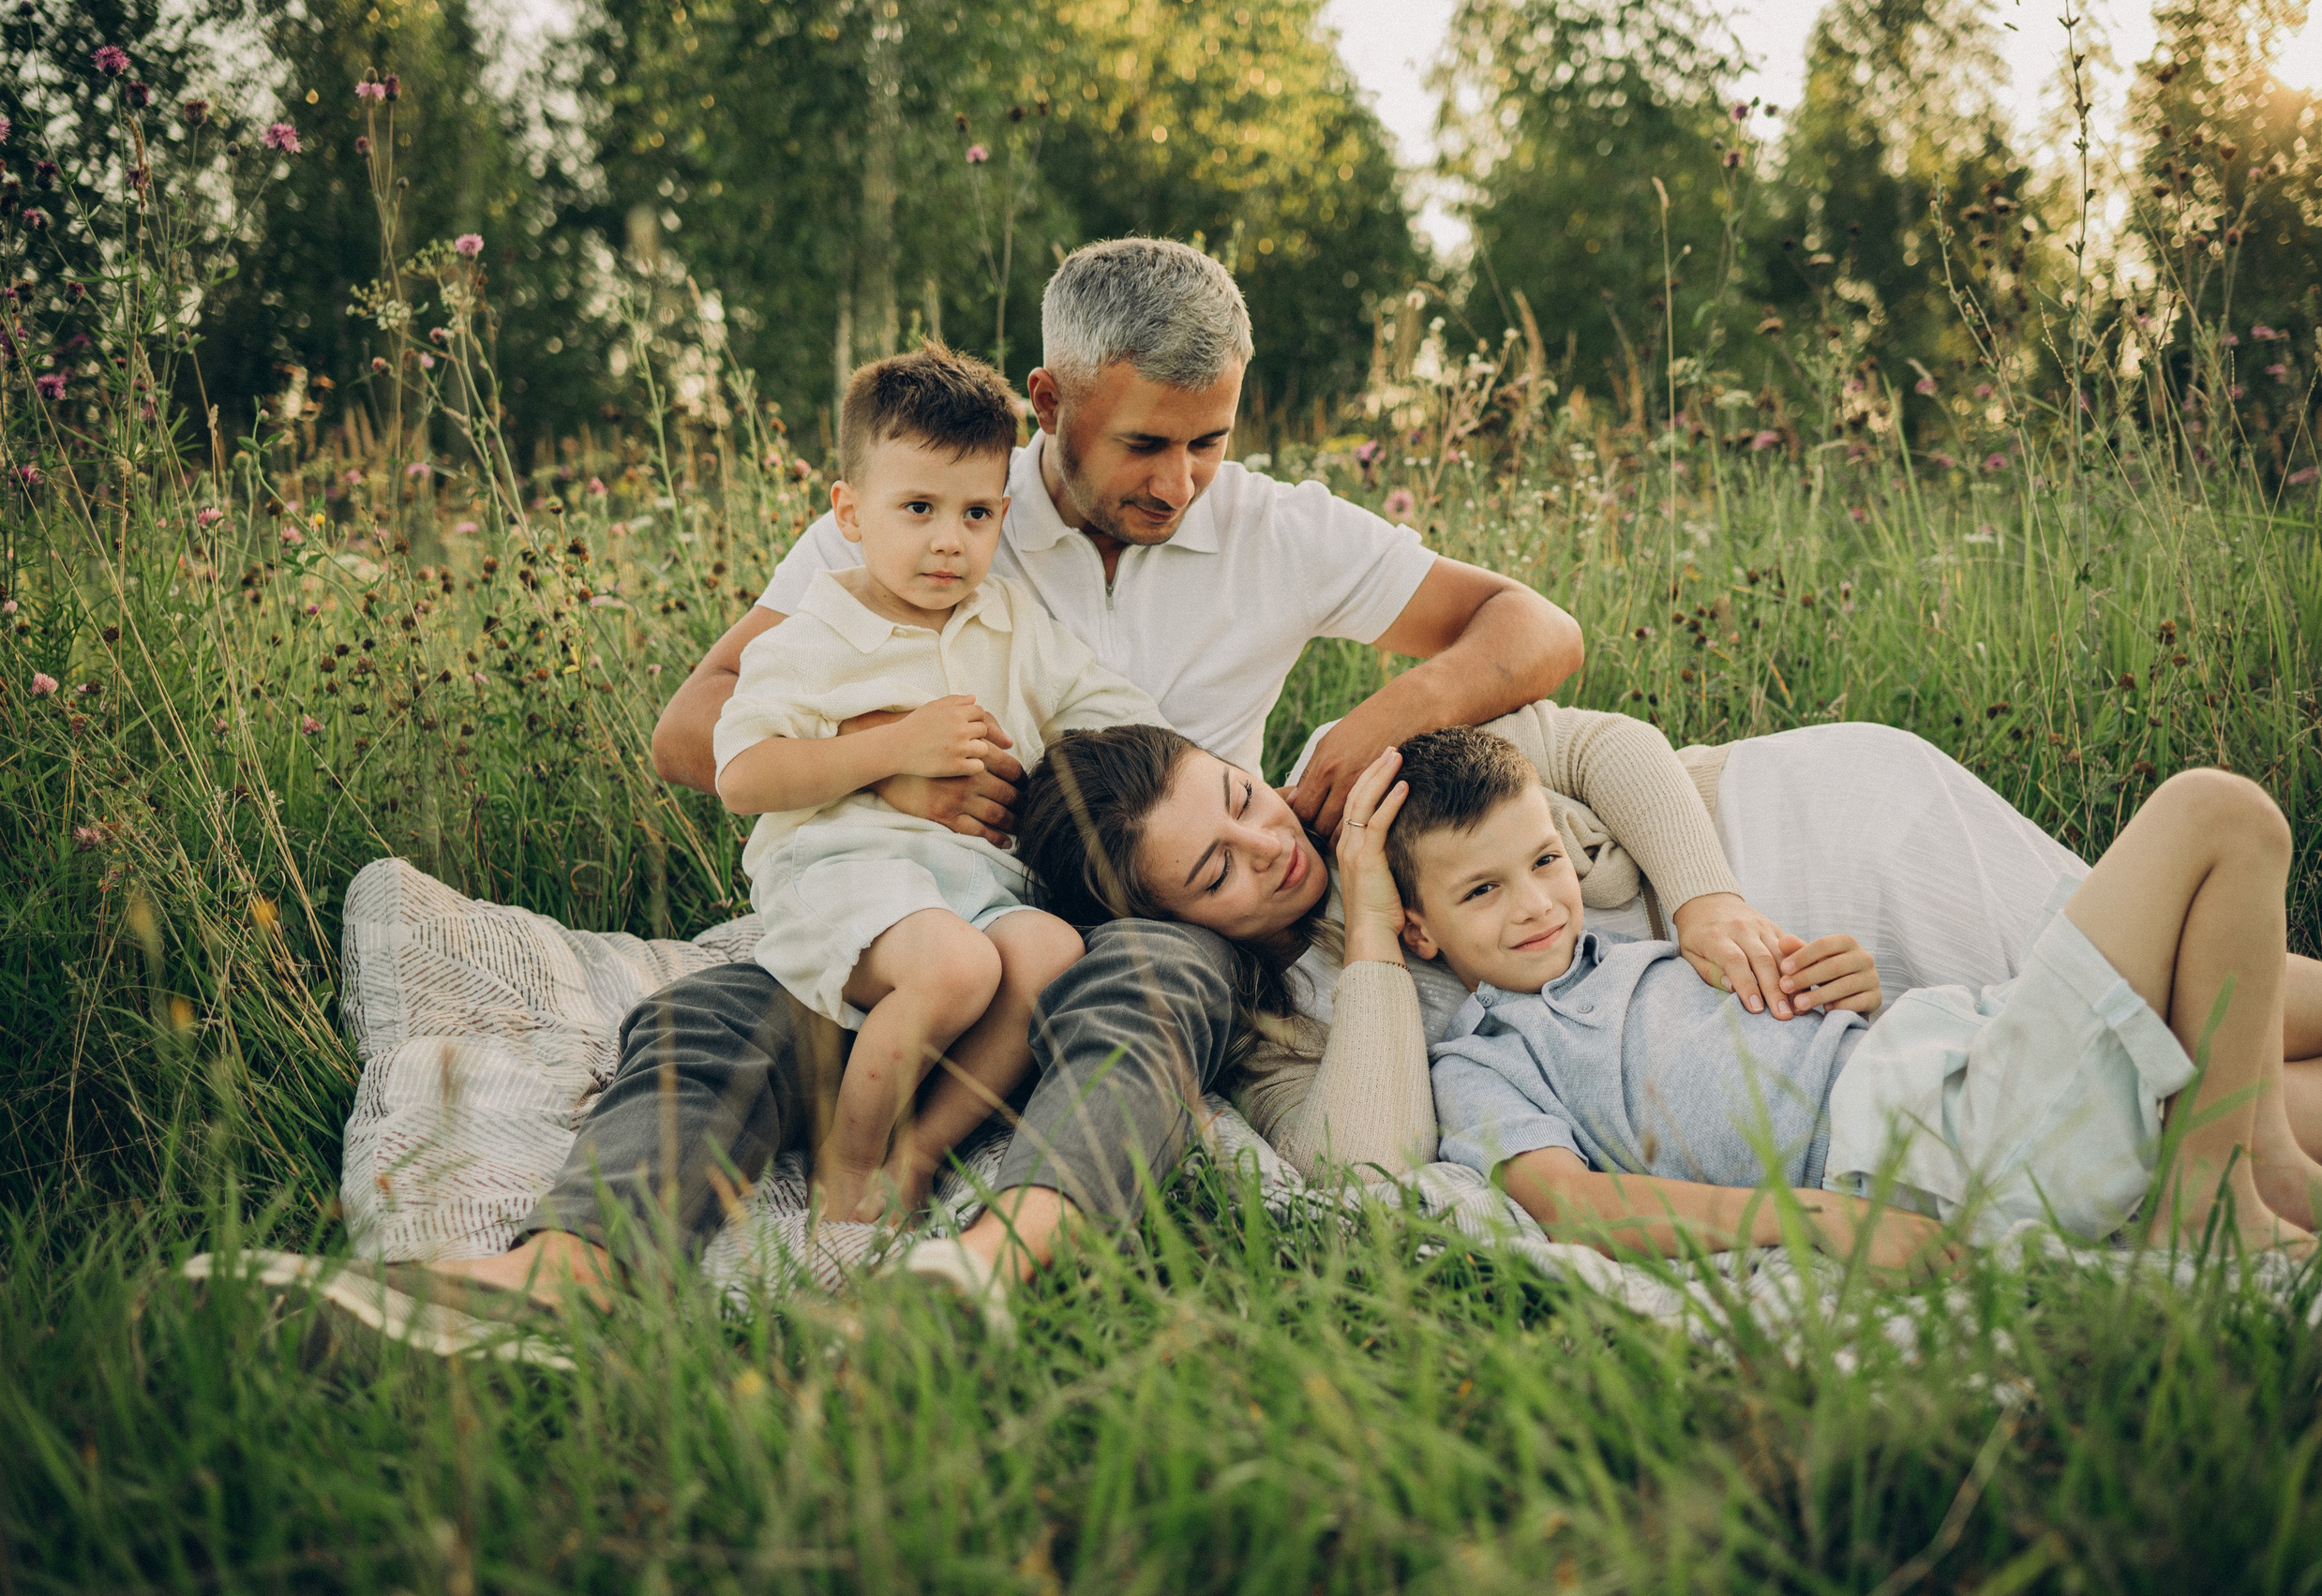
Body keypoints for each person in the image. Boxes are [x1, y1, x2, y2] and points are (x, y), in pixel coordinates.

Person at [339, 235, 1593, 1333]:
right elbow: (694, 730)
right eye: (1142, 443)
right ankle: (557, 1276)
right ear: (1048, 400)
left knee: (1142, 987)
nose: (1178, 481)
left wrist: (1390, 708)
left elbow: (1532, 626)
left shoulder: (1276, 527)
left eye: (1210, 440)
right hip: (930, 901)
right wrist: (891, 758)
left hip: (1167, 909)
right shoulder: (936, 509)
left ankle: (974, 1271)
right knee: (721, 1014)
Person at [1378, 725, 2322, 1261]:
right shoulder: (1485, 1057)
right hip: (1938, 1131)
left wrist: (1863, 997)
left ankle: (2248, 1155)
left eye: (1545, 860)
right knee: (2219, 813)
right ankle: (2218, 1186)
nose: (1534, 905)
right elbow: (1577, 1204)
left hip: (1954, 1054)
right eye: (1480, 890)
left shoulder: (1627, 950)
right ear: (1416, 927)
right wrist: (1809, 1217)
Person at [712, 345, 1158, 1224]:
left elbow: (1119, 714)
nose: (950, 540)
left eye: (977, 513)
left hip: (980, 882)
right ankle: (849, 1162)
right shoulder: (813, 635)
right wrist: (894, 752)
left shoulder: (1011, 623)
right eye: (917, 508)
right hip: (841, 867)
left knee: (1048, 955)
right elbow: (743, 776)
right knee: (955, 966)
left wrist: (1046, 770)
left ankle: (916, 1155)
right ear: (849, 511)